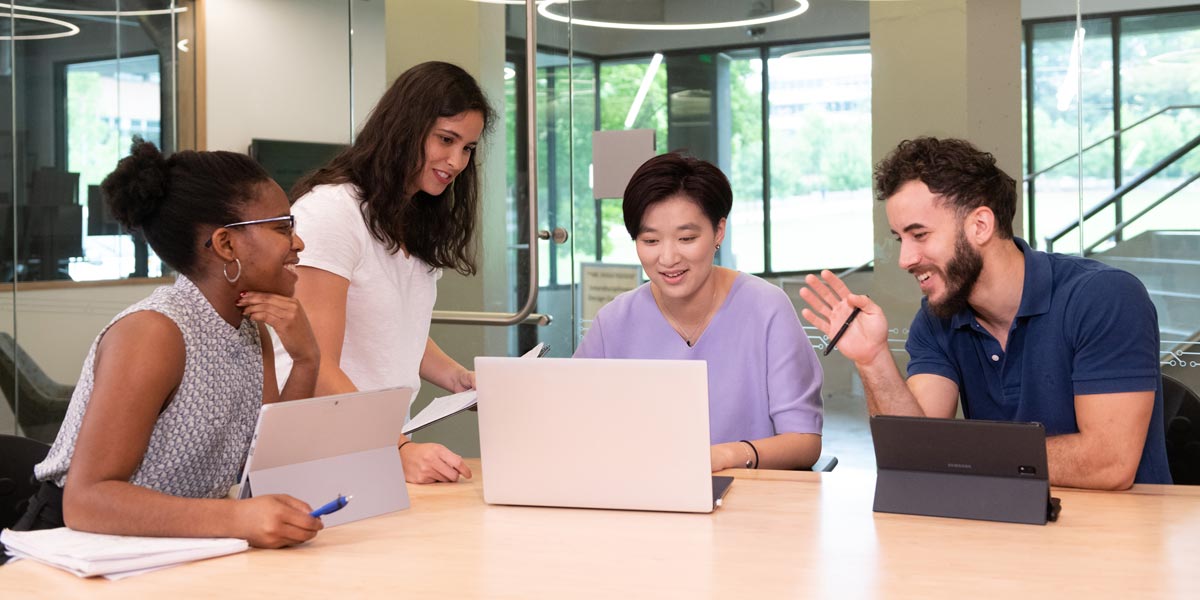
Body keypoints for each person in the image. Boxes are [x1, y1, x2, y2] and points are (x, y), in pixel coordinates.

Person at [799, 136, 1171, 489]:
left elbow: (1108, 463)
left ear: (980, 225)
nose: (905, 259)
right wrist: (872, 359)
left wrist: (956, 454)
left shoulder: (1104, 297)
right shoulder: (937, 317)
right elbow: (914, 452)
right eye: (901, 239)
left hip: (1120, 537)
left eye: (920, 235)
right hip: (1006, 525)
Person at [14, 140, 324, 547]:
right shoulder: (153, 333)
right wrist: (234, 517)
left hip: (169, 544)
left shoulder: (251, 327)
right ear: (226, 245)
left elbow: (267, 468)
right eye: (283, 227)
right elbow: (86, 501)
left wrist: (306, 361)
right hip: (76, 548)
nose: (297, 243)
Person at [275, 61, 494, 484]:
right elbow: (313, 362)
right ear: (405, 129)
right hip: (325, 446)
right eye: (446, 140)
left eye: (467, 147)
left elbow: (392, 324)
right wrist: (396, 448)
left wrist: (458, 378)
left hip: (377, 440)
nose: (456, 161)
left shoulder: (412, 216)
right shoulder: (331, 212)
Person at [574, 153, 824, 471]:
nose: (667, 257)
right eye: (650, 240)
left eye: (686, 238)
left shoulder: (767, 309)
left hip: (749, 502)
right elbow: (574, 422)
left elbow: (804, 442)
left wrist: (724, 456)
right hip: (642, 498)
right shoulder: (614, 321)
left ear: (719, 231)